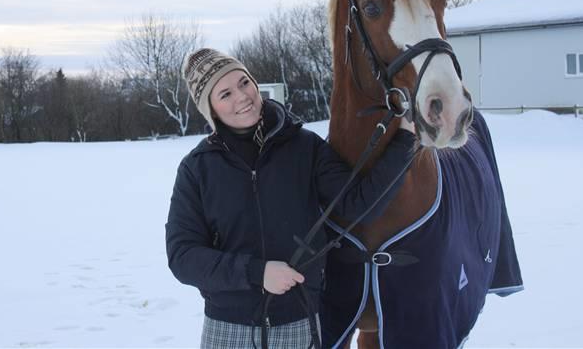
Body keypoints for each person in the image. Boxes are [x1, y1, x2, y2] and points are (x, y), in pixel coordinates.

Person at [165, 48, 416, 348]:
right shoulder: (197, 168)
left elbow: (358, 203)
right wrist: (257, 273)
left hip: (297, 323)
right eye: (225, 94)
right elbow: (183, 256)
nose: (242, 97)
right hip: (227, 328)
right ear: (212, 110)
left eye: (244, 83)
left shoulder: (304, 147)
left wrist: (406, 140)